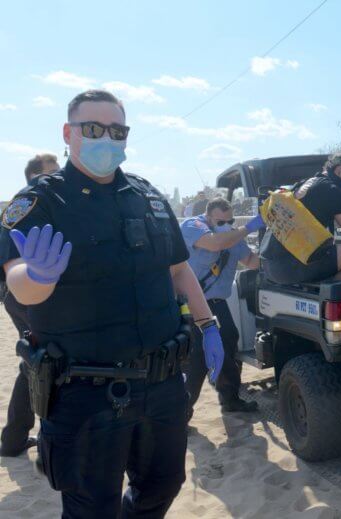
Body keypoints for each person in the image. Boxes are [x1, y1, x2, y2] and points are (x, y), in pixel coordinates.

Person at [0, 89, 225, 518]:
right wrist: (37, 276)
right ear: (68, 133)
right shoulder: (41, 202)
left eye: (117, 130)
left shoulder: (148, 196)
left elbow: (179, 270)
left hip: (160, 383)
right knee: (91, 508)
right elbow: (17, 280)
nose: (107, 138)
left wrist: (208, 324)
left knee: (163, 486)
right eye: (93, 128)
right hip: (83, 393)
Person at [0, 153, 60, 457]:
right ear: (36, 175)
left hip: (26, 296)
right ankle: (24, 438)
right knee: (44, 361)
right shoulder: (28, 202)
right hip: (26, 295)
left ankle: (13, 439)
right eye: (52, 173)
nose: (58, 177)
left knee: (35, 360)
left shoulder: (40, 201)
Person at [181, 197, 263, 417]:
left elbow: (251, 261)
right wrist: (249, 227)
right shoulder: (193, 226)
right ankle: (182, 413)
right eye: (220, 222)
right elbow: (215, 243)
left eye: (230, 221)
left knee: (228, 343)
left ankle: (231, 399)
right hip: (193, 303)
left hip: (217, 303)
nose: (226, 225)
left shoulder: (233, 236)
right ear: (208, 217)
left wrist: (273, 252)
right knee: (197, 356)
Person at [260, 152, 341, 288]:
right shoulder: (333, 190)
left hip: (270, 265)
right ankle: (326, 297)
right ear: (339, 171)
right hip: (289, 267)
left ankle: (323, 288)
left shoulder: (306, 183)